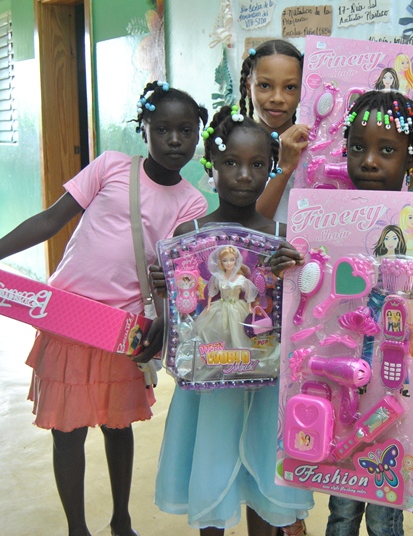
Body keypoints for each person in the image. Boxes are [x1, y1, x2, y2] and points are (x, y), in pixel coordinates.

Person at [0, 81, 209, 536]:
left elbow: (176, 272)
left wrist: (164, 320)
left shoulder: (192, 202)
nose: (174, 141)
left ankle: (121, 521)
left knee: (117, 428)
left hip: (121, 329)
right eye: (162, 129)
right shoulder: (110, 166)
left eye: (185, 131)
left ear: (197, 135)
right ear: (143, 129)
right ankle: (76, 530)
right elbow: (49, 221)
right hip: (66, 317)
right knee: (67, 433)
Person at [270, 90, 413, 536]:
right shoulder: (318, 221)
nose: (370, 161)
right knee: (340, 507)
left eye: (387, 150)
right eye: (358, 147)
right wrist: (286, 268)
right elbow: (304, 305)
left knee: (382, 513)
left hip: (390, 397)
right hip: (337, 387)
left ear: (412, 159)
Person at [153, 105, 314, 536]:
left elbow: (301, 314)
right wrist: (166, 284)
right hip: (210, 382)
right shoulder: (188, 236)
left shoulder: (285, 239)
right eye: (231, 163)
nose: (244, 175)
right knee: (212, 463)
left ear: (271, 167)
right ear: (212, 165)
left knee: (263, 474)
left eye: (257, 164)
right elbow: (184, 311)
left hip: (267, 383)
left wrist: (294, 274)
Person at [238, 39, 309, 222]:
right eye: (265, 85)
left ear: (303, 91)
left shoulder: (313, 146)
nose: (277, 98)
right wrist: (284, 168)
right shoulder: (235, 146)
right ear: (249, 87)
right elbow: (249, 225)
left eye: (290, 87)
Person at [192, 245, 257, 349]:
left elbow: (249, 292)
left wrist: (249, 307)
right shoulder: (218, 277)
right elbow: (211, 292)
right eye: (225, 260)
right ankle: (218, 350)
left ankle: (238, 352)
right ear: (221, 262)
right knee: (216, 329)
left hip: (237, 307)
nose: (228, 263)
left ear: (236, 261)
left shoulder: (241, 278)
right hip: (220, 306)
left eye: (232, 260)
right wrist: (208, 306)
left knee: (237, 330)